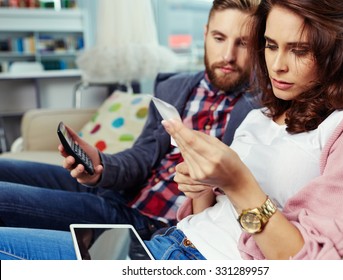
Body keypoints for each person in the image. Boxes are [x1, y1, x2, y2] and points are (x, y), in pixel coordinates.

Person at [0, 0, 343, 260]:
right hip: (165, 243)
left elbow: (314, 263)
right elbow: (205, 214)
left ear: (338, 50)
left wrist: (238, 184)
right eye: (271, 46)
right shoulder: (264, 116)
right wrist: (205, 188)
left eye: (300, 50)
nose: (278, 66)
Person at [0, 0, 262, 240]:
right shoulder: (174, 88)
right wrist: (100, 163)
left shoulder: (260, 109)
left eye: (243, 42)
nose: (228, 55)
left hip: (145, 222)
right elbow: (142, 156)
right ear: (205, 34)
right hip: (117, 193)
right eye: (219, 38)